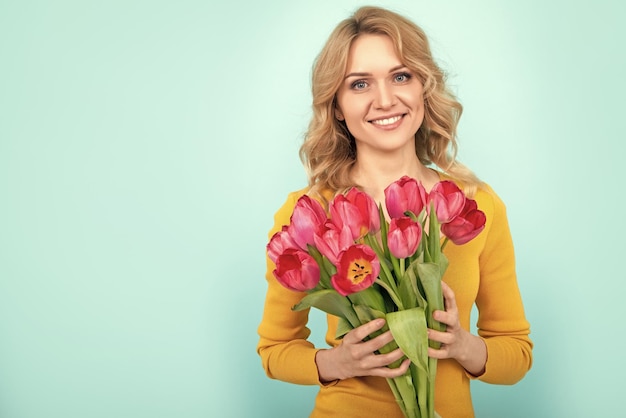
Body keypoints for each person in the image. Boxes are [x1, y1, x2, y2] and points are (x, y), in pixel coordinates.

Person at [257, 6, 532, 418]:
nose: (385, 100)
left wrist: (461, 344)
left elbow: (516, 353)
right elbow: (275, 350)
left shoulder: (475, 205)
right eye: (360, 84)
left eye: (401, 76)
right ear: (336, 104)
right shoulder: (309, 214)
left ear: (423, 86)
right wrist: (336, 364)